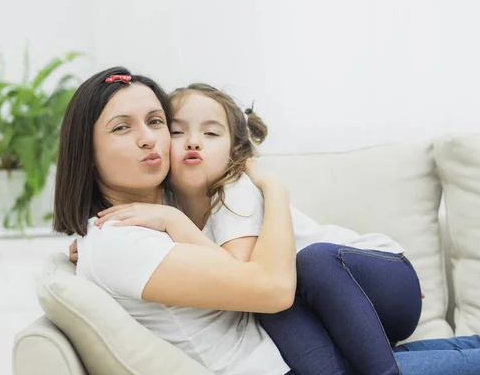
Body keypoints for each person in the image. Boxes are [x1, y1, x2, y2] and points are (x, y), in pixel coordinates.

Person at [62, 68, 480, 375]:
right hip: (289, 359)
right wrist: (115, 236)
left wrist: (261, 194)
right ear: (88, 150)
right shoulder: (123, 236)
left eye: (154, 123)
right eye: (123, 128)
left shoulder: (184, 204)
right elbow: (266, 288)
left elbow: (266, 284)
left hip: (327, 320)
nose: (153, 139)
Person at [95, 83, 422, 375]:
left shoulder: (234, 190)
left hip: (380, 278)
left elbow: (243, 278)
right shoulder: (167, 198)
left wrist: (173, 221)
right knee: (278, 312)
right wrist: (97, 239)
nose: (194, 142)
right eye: (178, 132)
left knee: (309, 265)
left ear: (235, 151)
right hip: (330, 306)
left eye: (210, 134)